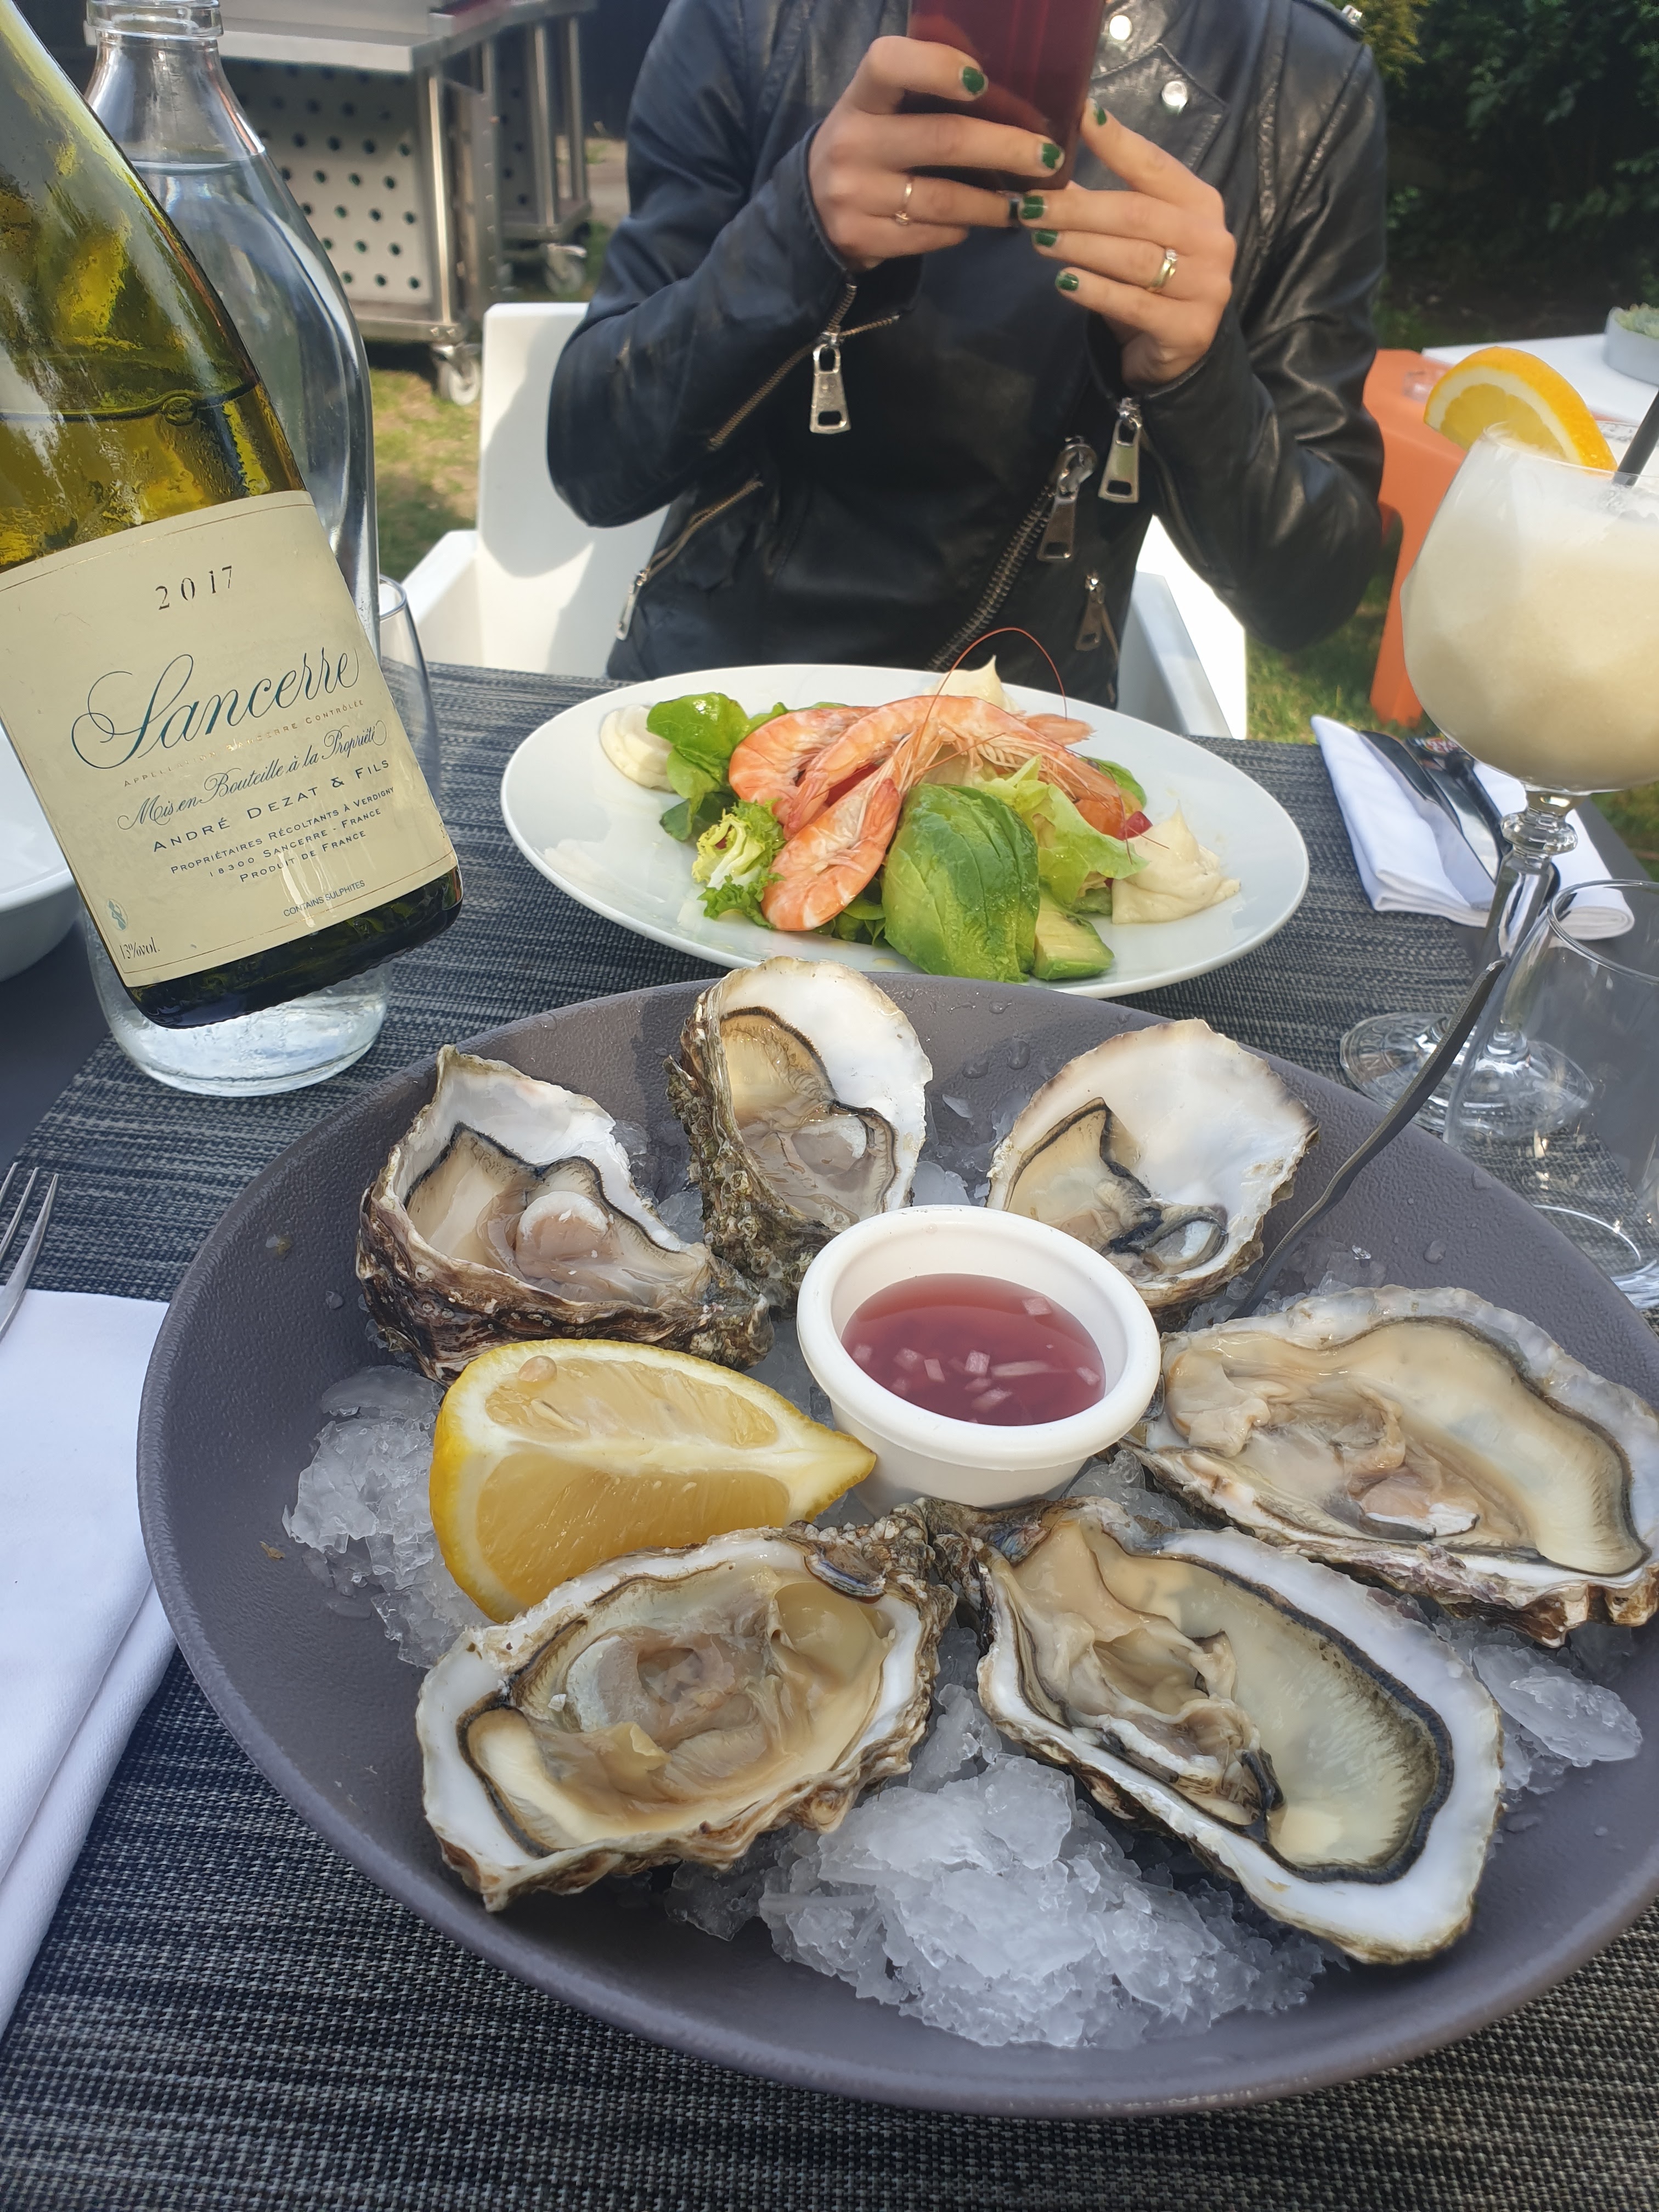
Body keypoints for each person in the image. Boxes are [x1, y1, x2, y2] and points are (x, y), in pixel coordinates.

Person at [548, 0, 1386, 708]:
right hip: (717, 710)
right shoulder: (752, 16)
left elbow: (1308, 591)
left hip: (1017, 759)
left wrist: (1196, 379)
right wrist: (793, 240)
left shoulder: (1301, 84)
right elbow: (592, 455)